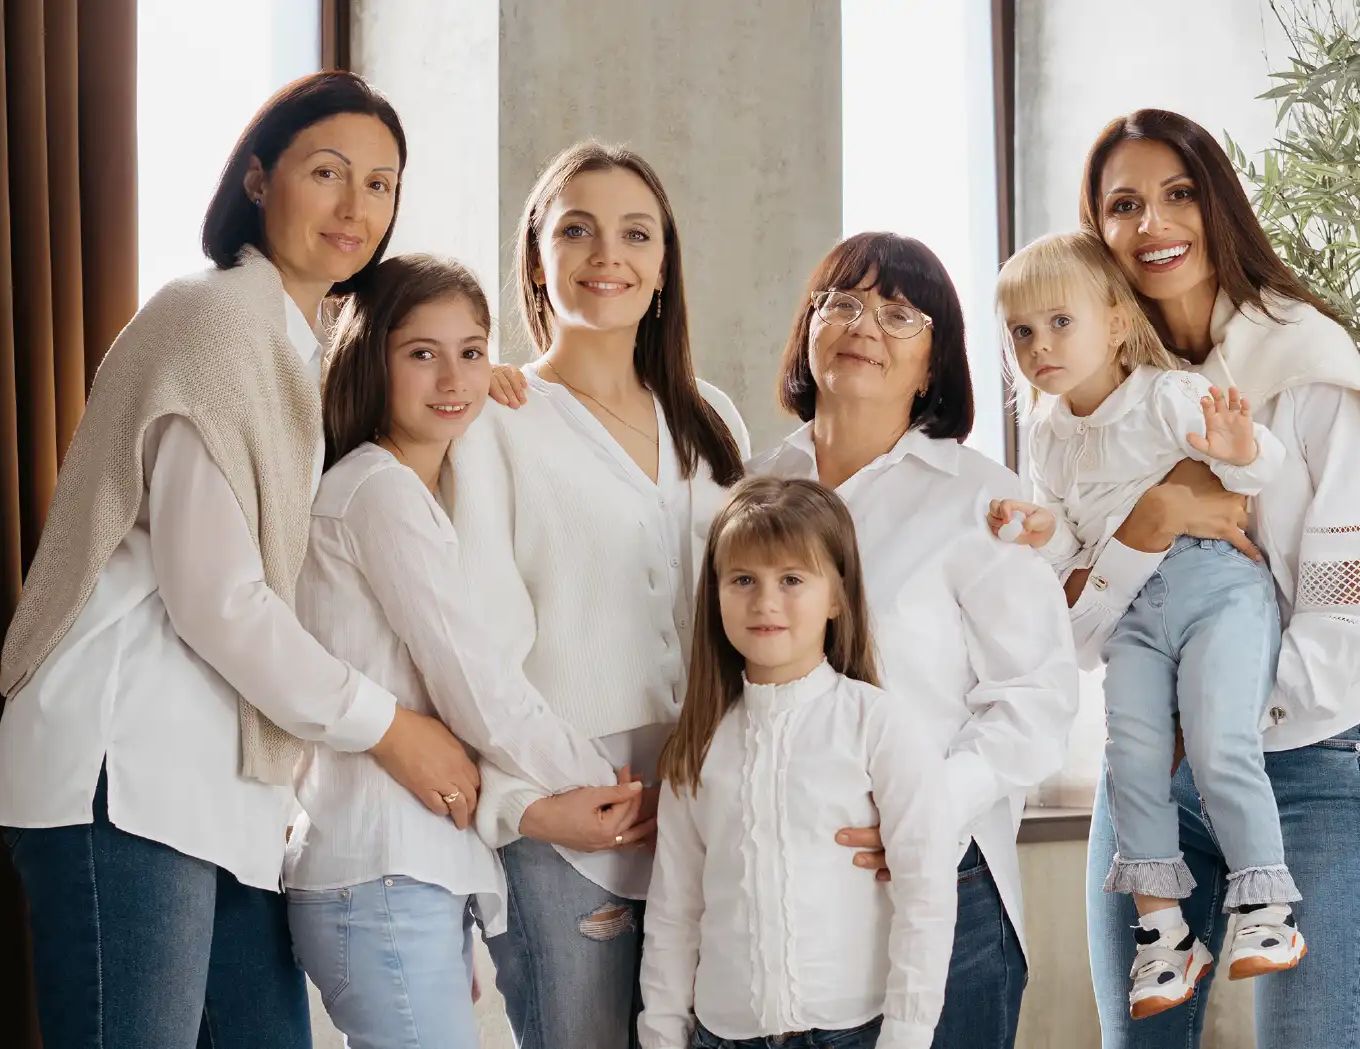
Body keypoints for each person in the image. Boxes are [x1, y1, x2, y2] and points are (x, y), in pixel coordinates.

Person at [0, 72, 482, 1049]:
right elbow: (219, 598)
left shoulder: (296, 353)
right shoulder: (214, 321)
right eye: (327, 171)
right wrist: (393, 729)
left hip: (227, 801)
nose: (356, 206)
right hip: (124, 771)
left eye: (381, 183)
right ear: (259, 178)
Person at [1073, 108, 1360, 1049]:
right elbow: (1067, 623)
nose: (1152, 224)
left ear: (1218, 205)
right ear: (1097, 231)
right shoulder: (1091, 398)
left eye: (1177, 194)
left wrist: (1219, 711)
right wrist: (1148, 525)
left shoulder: (1303, 363)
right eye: (1123, 205)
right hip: (1152, 772)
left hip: (1309, 764)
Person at [286, 253, 644, 1048]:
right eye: (421, 353)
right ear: (368, 356)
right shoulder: (378, 491)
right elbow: (476, 685)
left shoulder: (413, 492)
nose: (452, 377)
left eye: (471, 351)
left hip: (403, 876)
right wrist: (604, 785)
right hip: (381, 873)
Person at [450, 140, 750, 1049]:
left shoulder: (714, 418)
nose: (605, 254)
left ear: (664, 267)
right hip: (571, 822)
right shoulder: (493, 421)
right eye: (575, 230)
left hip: (709, 811)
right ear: (538, 259)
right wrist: (527, 805)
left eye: (634, 233)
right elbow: (473, 644)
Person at [748, 232, 1078, 1049]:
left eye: (900, 313)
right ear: (809, 328)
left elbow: (1036, 701)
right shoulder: (745, 492)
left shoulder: (982, 502)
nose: (866, 324)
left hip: (940, 886)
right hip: (775, 895)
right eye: (844, 303)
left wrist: (923, 812)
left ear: (933, 365)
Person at [988, 231, 1300, 1021]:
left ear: (1117, 323)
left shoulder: (1164, 394)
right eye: (1021, 332)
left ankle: (1267, 907)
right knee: (1130, 759)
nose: (1038, 346)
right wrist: (1036, 529)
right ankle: (1164, 934)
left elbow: (1252, 474)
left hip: (1214, 586)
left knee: (1217, 736)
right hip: (1129, 607)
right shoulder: (1048, 433)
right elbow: (1069, 541)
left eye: (1059, 322)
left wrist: (1240, 447)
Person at [638, 476, 957, 1049]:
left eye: (791, 579)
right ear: (714, 594)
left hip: (856, 1032)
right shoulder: (699, 743)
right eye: (743, 580)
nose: (765, 602)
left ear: (836, 595)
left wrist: (907, 1034)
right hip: (723, 1033)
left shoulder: (877, 724)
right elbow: (675, 909)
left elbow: (925, 892)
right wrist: (661, 1032)